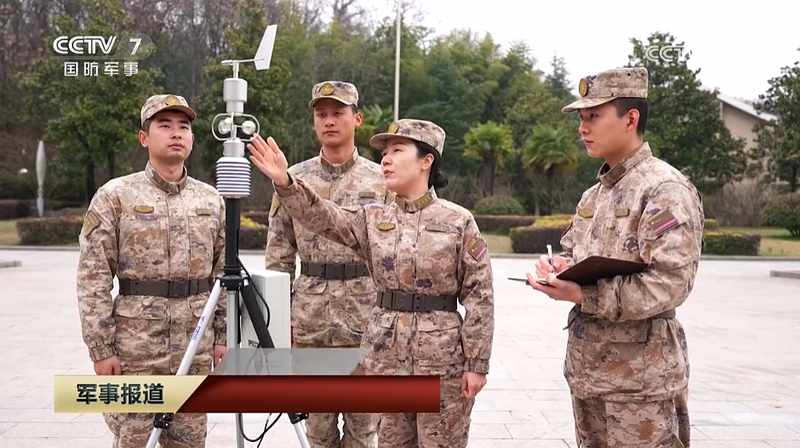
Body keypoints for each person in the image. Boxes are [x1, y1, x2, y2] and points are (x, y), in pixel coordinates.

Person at [249, 119, 494, 448]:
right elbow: (324, 216)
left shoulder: (457, 221)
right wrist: (287, 182)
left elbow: (480, 297)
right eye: (384, 153)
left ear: (427, 160)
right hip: (386, 360)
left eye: (397, 150)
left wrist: (477, 365)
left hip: (441, 362)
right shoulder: (373, 219)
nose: (386, 159)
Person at [528, 67, 703, 448]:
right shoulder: (595, 195)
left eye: (594, 116)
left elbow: (670, 283)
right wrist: (558, 268)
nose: (582, 128)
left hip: (640, 383)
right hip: (589, 372)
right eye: (581, 118)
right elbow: (575, 254)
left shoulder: (663, 189)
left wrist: (583, 295)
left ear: (631, 118)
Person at [77, 94, 227, 447]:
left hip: (195, 343)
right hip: (136, 348)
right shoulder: (115, 196)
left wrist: (222, 335)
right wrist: (101, 348)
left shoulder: (211, 200)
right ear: (144, 137)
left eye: (184, 127)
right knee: (134, 440)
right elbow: (93, 276)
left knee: (190, 442)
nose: (176, 133)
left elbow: (223, 275)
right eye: (164, 125)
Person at [265, 80, 383, 448]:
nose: (329, 121)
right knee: (316, 429)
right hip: (310, 318)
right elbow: (279, 256)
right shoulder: (291, 179)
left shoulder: (383, 179)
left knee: (364, 428)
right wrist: (278, 324)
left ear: (357, 118)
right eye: (321, 115)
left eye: (338, 113)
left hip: (365, 312)